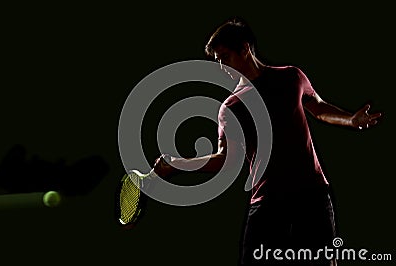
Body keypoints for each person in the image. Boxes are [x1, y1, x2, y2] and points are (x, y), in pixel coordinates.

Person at [153, 17, 382, 265]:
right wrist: (177, 164)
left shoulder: (291, 77)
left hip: (312, 195)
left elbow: (317, 107)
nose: (221, 67)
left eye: (225, 58)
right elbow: (225, 159)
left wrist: (350, 120)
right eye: (217, 61)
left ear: (245, 49)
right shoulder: (231, 107)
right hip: (269, 201)